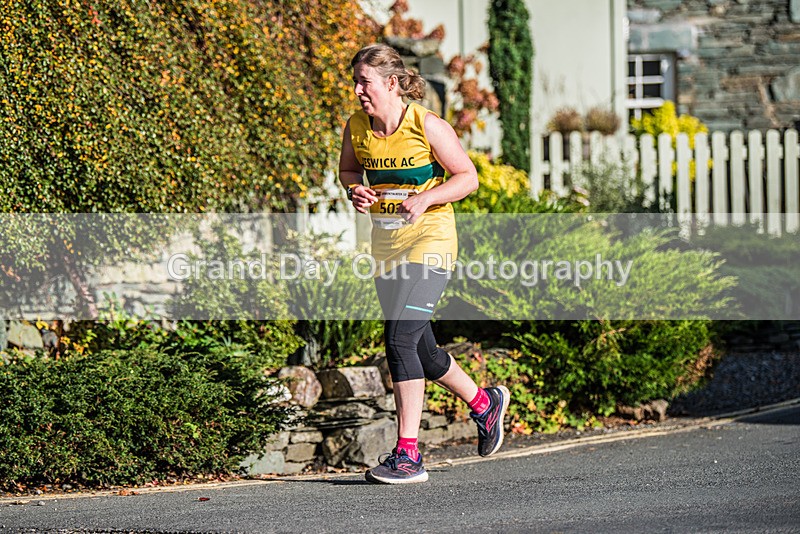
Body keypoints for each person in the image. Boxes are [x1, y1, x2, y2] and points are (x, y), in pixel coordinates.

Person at [338, 43, 510, 484]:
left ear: (391, 83)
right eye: (355, 82)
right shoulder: (356, 127)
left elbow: (467, 177)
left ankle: (409, 454)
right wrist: (355, 190)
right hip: (387, 247)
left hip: (431, 244)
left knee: (399, 341)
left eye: (365, 82)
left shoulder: (426, 125)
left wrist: (428, 197)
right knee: (421, 350)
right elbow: (349, 172)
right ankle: (484, 404)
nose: (358, 90)